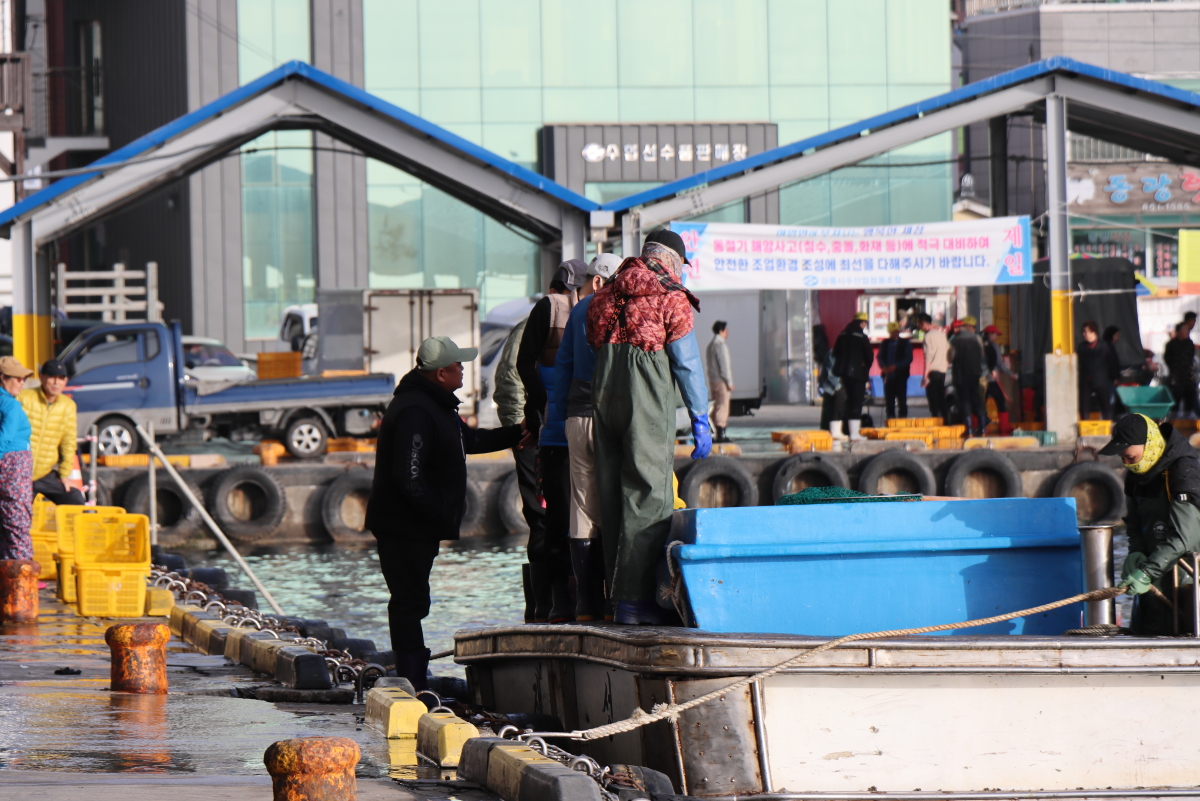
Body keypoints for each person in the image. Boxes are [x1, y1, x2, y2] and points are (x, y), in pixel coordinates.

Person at [366, 336, 531, 690]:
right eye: (458, 365)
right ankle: (411, 680)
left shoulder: (437, 405)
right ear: (440, 373)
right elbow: (407, 477)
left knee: (414, 599)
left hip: (418, 525)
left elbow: (469, 442)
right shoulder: (414, 410)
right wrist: (438, 513)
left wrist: (518, 433)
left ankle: (413, 675)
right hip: (404, 525)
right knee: (409, 601)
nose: (463, 369)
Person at [586, 229, 710, 625]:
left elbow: (594, 344)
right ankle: (636, 603)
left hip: (606, 399)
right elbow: (687, 364)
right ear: (673, 260)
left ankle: (614, 599)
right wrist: (700, 416)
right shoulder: (671, 297)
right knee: (649, 494)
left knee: (612, 494)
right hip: (647, 398)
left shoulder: (604, 296)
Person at [517, 259, 588, 623]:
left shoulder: (582, 309)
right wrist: (536, 410)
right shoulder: (552, 307)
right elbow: (525, 362)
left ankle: (567, 601)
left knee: (563, 517)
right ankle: (566, 600)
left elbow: (524, 362)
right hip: (557, 435)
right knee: (564, 517)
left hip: (563, 434)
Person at [553, 252, 620, 621]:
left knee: (581, 504)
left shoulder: (577, 312)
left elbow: (563, 367)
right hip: (610, 418)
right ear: (604, 282)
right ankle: (615, 602)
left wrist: (559, 420)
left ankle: (585, 604)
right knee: (613, 502)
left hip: (576, 418)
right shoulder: (618, 308)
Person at [1105, 413, 1200, 635]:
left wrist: (1147, 571)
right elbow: (1135, 522)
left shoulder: (1183, 471)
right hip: (1151, 577)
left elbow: (1184, 537)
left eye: (1130, 457)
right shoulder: (1136, 475)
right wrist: (1135, 551)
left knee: (1178, 630)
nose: (1127, 463)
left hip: (1184, 577)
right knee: (1146, 629)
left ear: (1148, 445)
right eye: (1123, 459)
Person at [492, 315, 546, 622]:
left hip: (555, 436)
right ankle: (542, 607)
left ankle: (553, 603)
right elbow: (509, 381)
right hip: (534, 437)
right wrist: (518, 431)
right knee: (541, 517)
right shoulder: (531, 326)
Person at [19, 359, 83, 506]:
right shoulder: (24, 397)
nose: (56, 382)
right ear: (42, 377)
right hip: (19, 472)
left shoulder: (68, 406)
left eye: (61, 378)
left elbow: (68, 442)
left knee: (74, 498)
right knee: (15, 517)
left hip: (43, 473)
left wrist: (64, 475)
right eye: (52, 377)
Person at [0, 356, 33, 561]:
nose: (21, 383)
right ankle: (23, 577)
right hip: (14, 464)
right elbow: (5, 436)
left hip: (9, 463)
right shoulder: (11, 406)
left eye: (24, 379)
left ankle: (6, 582)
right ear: (2, 378)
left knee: (5, 525)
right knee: (17, 519)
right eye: (17, 378)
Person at [831, 312, 873, 441]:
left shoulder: (842, 335)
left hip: (841, 373)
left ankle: (835, 432)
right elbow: (869, 357)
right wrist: (864, 369)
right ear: (863, 323)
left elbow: (835, 353)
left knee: (839, 402)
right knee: (855, 403)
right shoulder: (861, 337)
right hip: (857, 375)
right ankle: (854, 434)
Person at [949, 315, 986, 436]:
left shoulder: (954, 339)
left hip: (960, 374)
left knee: (964, 401)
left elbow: (950, 357)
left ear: (963, 326)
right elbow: (981, 354)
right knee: (976, 399)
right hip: (975, 373)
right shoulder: (977, 339)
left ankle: (969, 430)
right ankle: (982, 429)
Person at [1077, 321, 1113, 420]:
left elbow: (1111, 361)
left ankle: (1107, 423)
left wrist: (1112, 376)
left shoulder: (1104, 346)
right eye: (1083, 332)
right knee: (1084, 404)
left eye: (1087, 331)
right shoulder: (1081, 347)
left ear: (1094, 332)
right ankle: (1085, 424)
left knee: (1105, 403)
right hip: (1085, 380)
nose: (1084, 334)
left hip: (1100, 380)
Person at [982, 325, 1014, 435]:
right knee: (1000, 401)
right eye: (995, 334)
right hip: (992, 379)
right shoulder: (994, 347)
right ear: (990, 334)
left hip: (980, 380)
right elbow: (999, 363)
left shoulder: (978, 344)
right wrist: (1010, 374)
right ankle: (1004, 427)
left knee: (980, 403)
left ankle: (979, 427)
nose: (996, 336)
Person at [877, 322, 912, 420]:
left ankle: (902, 418)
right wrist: (883, 367)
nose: (895, 333)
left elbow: (908, 358)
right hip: (888, 376)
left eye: (896, 331)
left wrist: (895, 366)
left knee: (902, 399)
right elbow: (879, 357)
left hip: (901, 375)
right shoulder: (884, 343)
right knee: (889, 400)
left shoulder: (905, 343)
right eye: (893, 332)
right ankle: (890, 417)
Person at [706, 321, 734, 442]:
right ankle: (721, 434)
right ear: (721, 331)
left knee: (716, 406)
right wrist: (729, 382)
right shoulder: (720, 345)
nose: (727, 332)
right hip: (721, 381)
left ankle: (714, 433)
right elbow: (724, 366)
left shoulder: (710, 345)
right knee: (723, 406)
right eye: (726, 330)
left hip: (713, 380)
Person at [1164, 323, 1198, 418]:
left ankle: (1188, 417)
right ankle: (1174, 419)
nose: (1186, 332)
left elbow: (1190, 357)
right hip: (1176, 375)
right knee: (1176, 398)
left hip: (1188, 375)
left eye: (1187, 330)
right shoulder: (1171, 344)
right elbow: (1167, 358)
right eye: (1184, 330)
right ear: (1178, 332)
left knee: (1189, 397)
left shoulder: (1189, 343)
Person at [919, 313, 948, 421]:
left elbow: (928, 358)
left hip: (933, 372)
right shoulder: (942, 335)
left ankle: (936, 422)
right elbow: (948, 352)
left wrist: (925, 376)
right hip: (942, 371)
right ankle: (946, 422)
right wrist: (945, 366)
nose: (919, 327)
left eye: (919, 324)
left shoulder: (928, 336)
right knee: (942, 398)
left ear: (923, 323)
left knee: (933, 401)